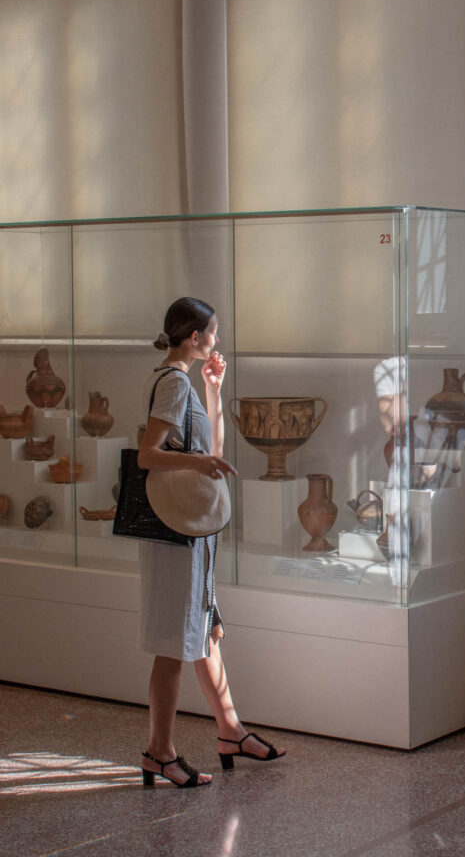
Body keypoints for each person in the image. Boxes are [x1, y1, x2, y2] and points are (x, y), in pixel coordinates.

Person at [137, 297, 285, 788]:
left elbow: (213, 452)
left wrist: (214, 390)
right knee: (175, 643)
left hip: (190, 529)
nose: (216, 341)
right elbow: (148, 455)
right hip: (176, 532)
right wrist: (197, 463)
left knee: (200, 634)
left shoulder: (185, 383)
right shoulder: (173, 383)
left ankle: (230, 730)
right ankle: (160, 752)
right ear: (194, 337)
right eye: (213, 333)